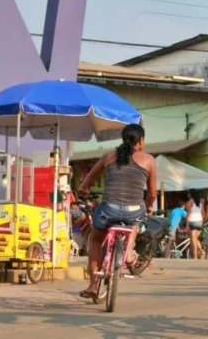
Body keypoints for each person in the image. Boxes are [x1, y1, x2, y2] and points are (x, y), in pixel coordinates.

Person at [76, 123, 157, 299]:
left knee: (96, 240)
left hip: (108, 210)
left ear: (123, 139)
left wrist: (83, 190)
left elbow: (90, 177)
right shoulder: (149, 160)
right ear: (141, 141)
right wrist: (149, 206)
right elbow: (152, 193)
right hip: (133, 211)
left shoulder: (108, 156)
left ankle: (92, 285)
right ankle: (128, 253)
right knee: (137, 218)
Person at [185, 190, 205, 259]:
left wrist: (187, 225)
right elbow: (203, 214)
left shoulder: (189, 203)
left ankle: (195, 256)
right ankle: (201, 251)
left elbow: (189, 214)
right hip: (199, 222)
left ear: (191, 195)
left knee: (193, 240)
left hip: (192, 221)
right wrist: (202, 223)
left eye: (188, 193)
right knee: (195, 239)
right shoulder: (200, 203)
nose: (188, 194)